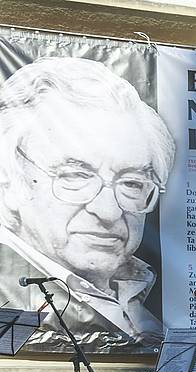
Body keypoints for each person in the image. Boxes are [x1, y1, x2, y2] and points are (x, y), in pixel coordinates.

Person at [0, 57, 175, 352]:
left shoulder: (148, 299)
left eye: (131, 183)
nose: (108, 212)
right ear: (9, 182)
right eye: (75, 176)